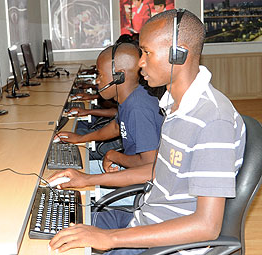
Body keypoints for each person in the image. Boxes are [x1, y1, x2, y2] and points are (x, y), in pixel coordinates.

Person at [48, 9, 246, 255]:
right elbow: (156, 171)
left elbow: (207, 226)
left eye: (147, 53)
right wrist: (87, 179)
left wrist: (110, 238)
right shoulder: (175, 106)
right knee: (55, 230)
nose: (140, 62)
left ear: (178, 54)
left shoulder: (212, 119)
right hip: (143, 222)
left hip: (166, 244)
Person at [56, 42, 163, 175]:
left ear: (119, 76)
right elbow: (116, 127)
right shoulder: (131, 97)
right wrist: (80, 138)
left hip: (140, 184)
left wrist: (114, 156)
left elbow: (149, 164)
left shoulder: (138, 108)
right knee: (68, 171)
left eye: (100, 75)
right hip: (130, 169)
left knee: (74, 178)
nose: (97, 81)